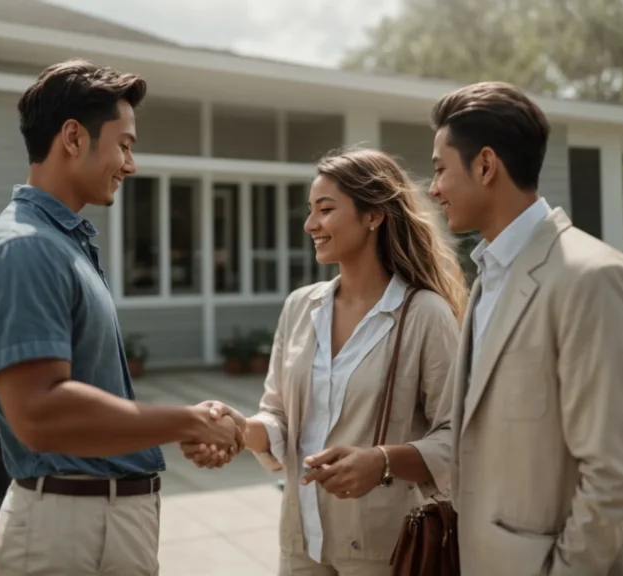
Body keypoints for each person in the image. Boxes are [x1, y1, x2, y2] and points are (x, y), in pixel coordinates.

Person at [0, 59, 245, 576]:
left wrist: (187, 419)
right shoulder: (25, 248)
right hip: (72, 533)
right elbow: (41, 414)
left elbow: (89, 393)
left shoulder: (61, 243)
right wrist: (185, 422)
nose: (130, 165)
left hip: (98, 525)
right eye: (125, 145)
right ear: (74, 138)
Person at [428, 81, 623, 576]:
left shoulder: (596, 279)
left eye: (439, 169)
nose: (433, 189)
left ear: (485, 165)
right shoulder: (487, 279)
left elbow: (617, 472)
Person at [184, 148, 466, 575]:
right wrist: (237, 429)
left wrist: (383, 461)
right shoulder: (300, 307)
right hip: (300, 543)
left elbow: (457, 436)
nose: (310, 224)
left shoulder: (425, 315)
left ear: (373, 216)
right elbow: (279, 417)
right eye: (310, 209)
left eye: (326, 209)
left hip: (385, 549)